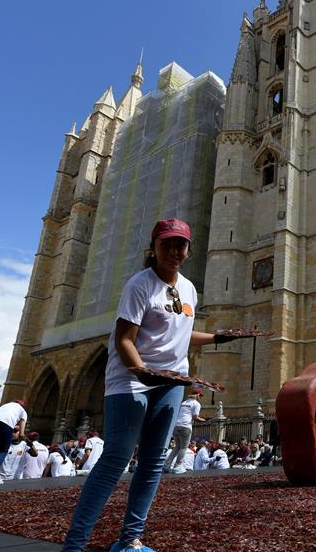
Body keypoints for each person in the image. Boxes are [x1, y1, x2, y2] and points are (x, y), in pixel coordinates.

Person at [61, 218, 243, 552]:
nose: (175, 251)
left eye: (181, 245)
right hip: (131, 380)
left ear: (188, 250)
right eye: (167, 244)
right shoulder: (140, 285)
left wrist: (218, 336)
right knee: (115, 458)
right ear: (154, 248)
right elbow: (123, 339)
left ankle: (130, 539)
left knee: (153, 461)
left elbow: (180, 335)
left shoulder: (188, 289)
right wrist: (140, 370)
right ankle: (75, 545)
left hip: (171, 381)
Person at [164, 389, 205, 473]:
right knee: (183, 447)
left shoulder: (183, 403)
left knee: (177, 447)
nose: (201, 397)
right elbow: (195, 417)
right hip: (185, 426)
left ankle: (166, 465)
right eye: (200, 396)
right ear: (197, 395)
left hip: (176, 426)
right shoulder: (196, 404)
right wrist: (204, 420)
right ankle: (177, 466)